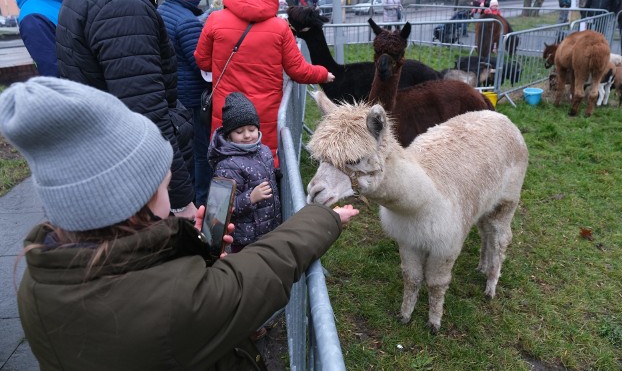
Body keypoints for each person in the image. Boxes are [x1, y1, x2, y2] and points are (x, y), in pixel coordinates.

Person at [0, 76, 359, 371]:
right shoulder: (176, 304)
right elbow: (259, 270)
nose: (170, 183)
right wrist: (323, 217)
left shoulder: (38, 281)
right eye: (161, 183)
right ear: (129, 203)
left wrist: (191, 245)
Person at [55, 0, 200, 220]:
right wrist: (180, 200)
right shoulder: (124, 6)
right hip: (137, 179)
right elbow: (147, 113)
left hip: (107, 160)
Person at [194, 0, 335, 166]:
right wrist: (322, 73)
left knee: (227, 169)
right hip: (262, 117)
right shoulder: (280, 27)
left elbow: (203, 61)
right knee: (264, 168)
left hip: (227, 111)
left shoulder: (215, 20)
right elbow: (298, 70)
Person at [158, 0, 212, 208]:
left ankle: (181, 201)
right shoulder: (188, 22)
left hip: (173, 94)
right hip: (191, 98)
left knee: (180, 153)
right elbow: (201, 63)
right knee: (200, 154)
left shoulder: (162, 11)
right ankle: (200, 201)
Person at [207, 92, 282, 256]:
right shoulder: (227, 165)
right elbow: (222, 208)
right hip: (245, 239)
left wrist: (275, 175)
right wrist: (251, 198)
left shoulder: (264, 151)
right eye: (239, 131)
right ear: (229, 135)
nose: (247, 135)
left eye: (252, 129)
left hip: (269, 228)